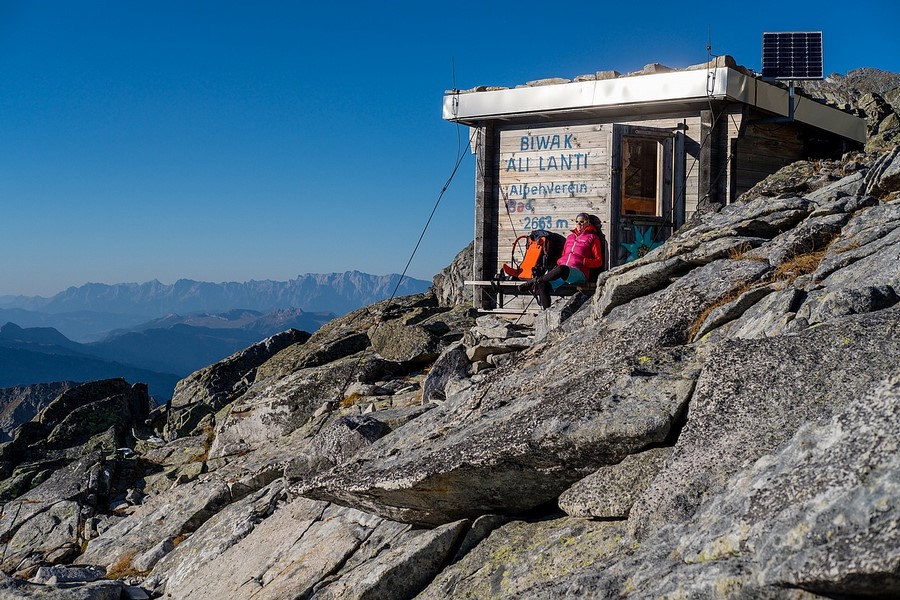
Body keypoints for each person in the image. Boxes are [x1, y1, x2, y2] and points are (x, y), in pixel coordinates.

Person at [519, 213, 603, 309]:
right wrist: (560, 261)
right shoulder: (570, 237)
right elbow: (564, 254)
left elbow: (598, 261)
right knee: (543, 285)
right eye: (577, 222)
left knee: (562, 269)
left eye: (582, 221)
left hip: (579, 272)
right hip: (563, 273)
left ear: (588, 223)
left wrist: (583, 261)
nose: (579, 224)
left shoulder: (593, 238)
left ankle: (535, 281)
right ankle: (546, 312)